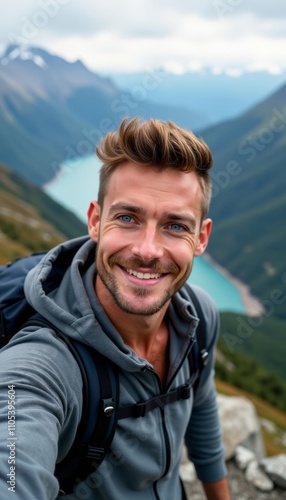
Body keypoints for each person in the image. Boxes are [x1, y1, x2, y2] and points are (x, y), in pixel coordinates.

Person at [0, 117, 231, 499]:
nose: (147, 250)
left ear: (201, 238)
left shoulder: (199, 317)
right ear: (95, 220)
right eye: (128, 218)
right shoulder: (43, 365)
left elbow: (201, 409)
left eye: (175, 226)